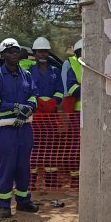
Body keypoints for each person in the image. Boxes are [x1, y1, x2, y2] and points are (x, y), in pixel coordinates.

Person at [0, 38, 40, 218]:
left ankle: (24, 201)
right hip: (6, 129)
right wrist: (17, 107)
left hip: (24, 128)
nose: (14, 53)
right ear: (2, 55)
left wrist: (27, 110)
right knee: (6, 167)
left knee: (23, 166)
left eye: (16, 50)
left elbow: (34, 96)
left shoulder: (27, 75)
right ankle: (2, 205)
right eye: (9, 51)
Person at [28, 37, 64, 190]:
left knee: (50, 148)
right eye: (39, 52)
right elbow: (27, 91)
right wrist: (38, 103)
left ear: (48, 53)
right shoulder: (28, 71)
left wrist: (53, 103)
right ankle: (32, 182)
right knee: (33, 148)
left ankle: (51, 181)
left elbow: (60, 91)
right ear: (35, 54)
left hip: (51, 116)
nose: (42, 54)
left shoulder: (55, 71)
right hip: (35, 116)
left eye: (44, 52)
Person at [63, 39, 83, 185]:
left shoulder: (98, 65)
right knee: (76, 144)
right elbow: (71, 89)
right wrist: (89, 90)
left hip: (96, 113)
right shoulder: (73, 67)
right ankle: (75, 178)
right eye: (80, 52)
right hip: (78, 113)